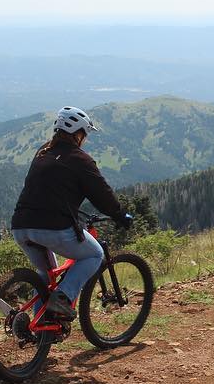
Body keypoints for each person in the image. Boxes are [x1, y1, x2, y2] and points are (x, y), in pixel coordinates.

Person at [11, 106, 132, 320]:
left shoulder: (43, 151)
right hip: (52, 228)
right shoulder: (80, 160)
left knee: (45, 274)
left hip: (21, 226)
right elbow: (102, 195)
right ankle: (62, 298)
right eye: (84, 134)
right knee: (96, 254)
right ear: (78, 134)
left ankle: (39, 329)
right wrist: (120, 215)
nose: (84, 139)